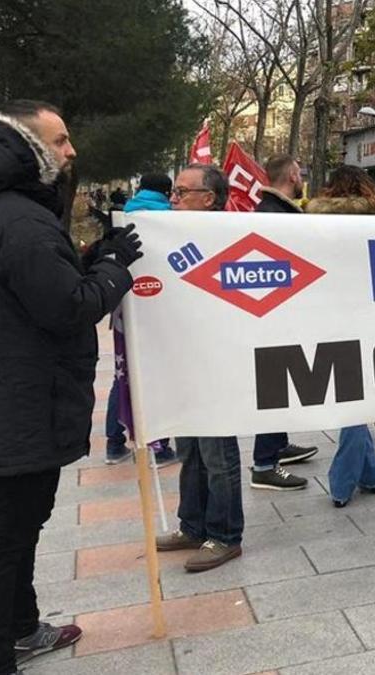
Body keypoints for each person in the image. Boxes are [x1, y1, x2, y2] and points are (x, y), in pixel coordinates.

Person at [0, 100, 143, 675]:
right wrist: (115, 271)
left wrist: (91, 258)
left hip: (6, 392)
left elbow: (33, 285)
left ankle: (20, 629)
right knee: (9, 532)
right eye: (61, 139)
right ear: (28, 145)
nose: (72, 150)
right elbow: (66, 307)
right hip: (21, 397)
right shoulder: (18, 218)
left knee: (14, 525)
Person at [156, 164, 247, 572]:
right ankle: (192, 525)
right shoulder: (171, 237)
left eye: (180, 192)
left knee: (217, 453)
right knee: (189, 449)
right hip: (184, 361)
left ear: (208, 199)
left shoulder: (230, 239)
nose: (172, 200)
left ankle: (225, 535)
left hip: (218, 362)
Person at [303, 166, 375, 508]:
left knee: (350, 398)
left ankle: (341, 484)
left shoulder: (314, 217)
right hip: (374, 310)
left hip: (331, 311)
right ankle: (369, 475)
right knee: (359, 393)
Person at [248, 154, 318, 490]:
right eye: (300, 171)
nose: (302, 176)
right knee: (276, 386)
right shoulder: (277, 216)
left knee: (282, 387)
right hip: (279, 318)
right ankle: (265, 463)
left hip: (280, 315)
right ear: (292, 174)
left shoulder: (270, 211)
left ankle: (277, 446)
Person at [105, 174, 177, 467]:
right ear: (167, 191)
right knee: (157, 374)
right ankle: (159, 447)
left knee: (123, 372)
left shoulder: (124, 215)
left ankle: (114, 442)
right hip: (158, 303)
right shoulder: (169, 219)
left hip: (126, 303)